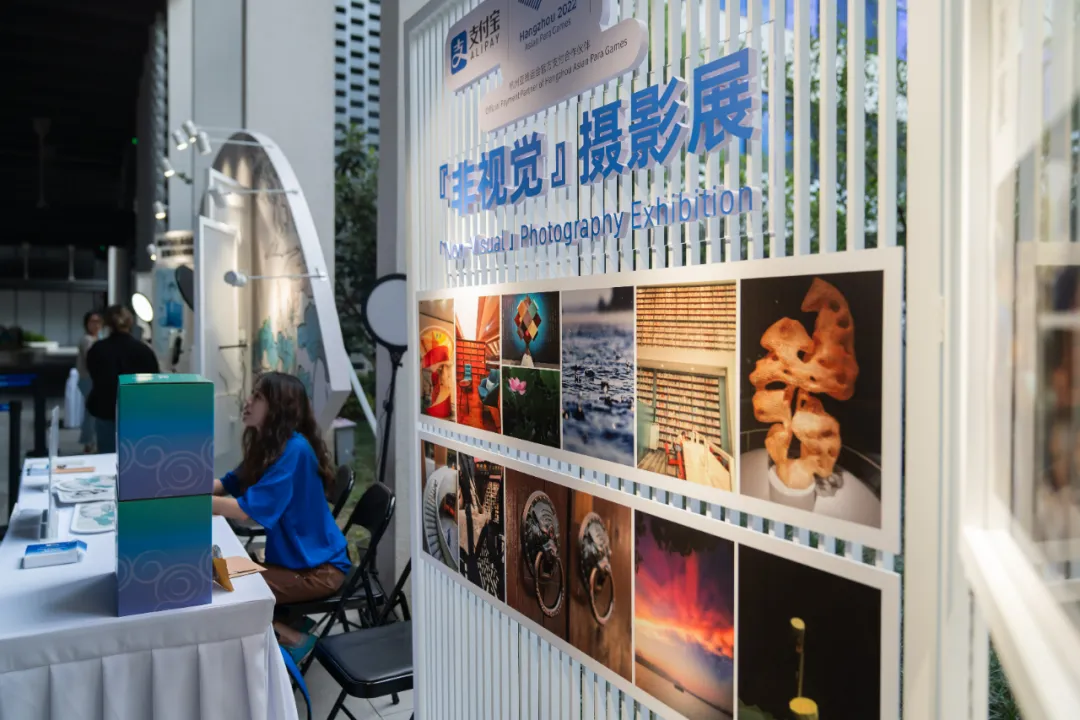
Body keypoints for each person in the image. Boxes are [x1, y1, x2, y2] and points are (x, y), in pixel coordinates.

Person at [211, 372, 350, 662]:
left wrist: (189, 504)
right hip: (296, 563)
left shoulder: (294, 450)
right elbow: (225, 484)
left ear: (279, 407)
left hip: (318, 571)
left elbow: (246, 510)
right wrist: (179, 486)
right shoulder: (270, 446)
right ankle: (290, 623)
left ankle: (295, 638)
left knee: (222, 583)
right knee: (217, 572)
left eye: (258, 397)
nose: (248, 401)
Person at [86, 305, 160, 453]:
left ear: (107, 324)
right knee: (135, 456)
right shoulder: (144, 351)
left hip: (105, 410)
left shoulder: (97, 349)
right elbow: (153, 382)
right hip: (136, 412)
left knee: (108, 457)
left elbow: (94, 376)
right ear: (130, 323)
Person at [76, 310, 103, 453]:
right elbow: (91, 360)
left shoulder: (97, 339)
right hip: (88, 378)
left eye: (98, 322)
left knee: (92, 412)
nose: (96, 325)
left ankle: (90, 441)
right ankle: (88, 442)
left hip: (91, 379)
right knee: (91, 412)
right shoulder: (87, 340)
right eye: (92, 322)